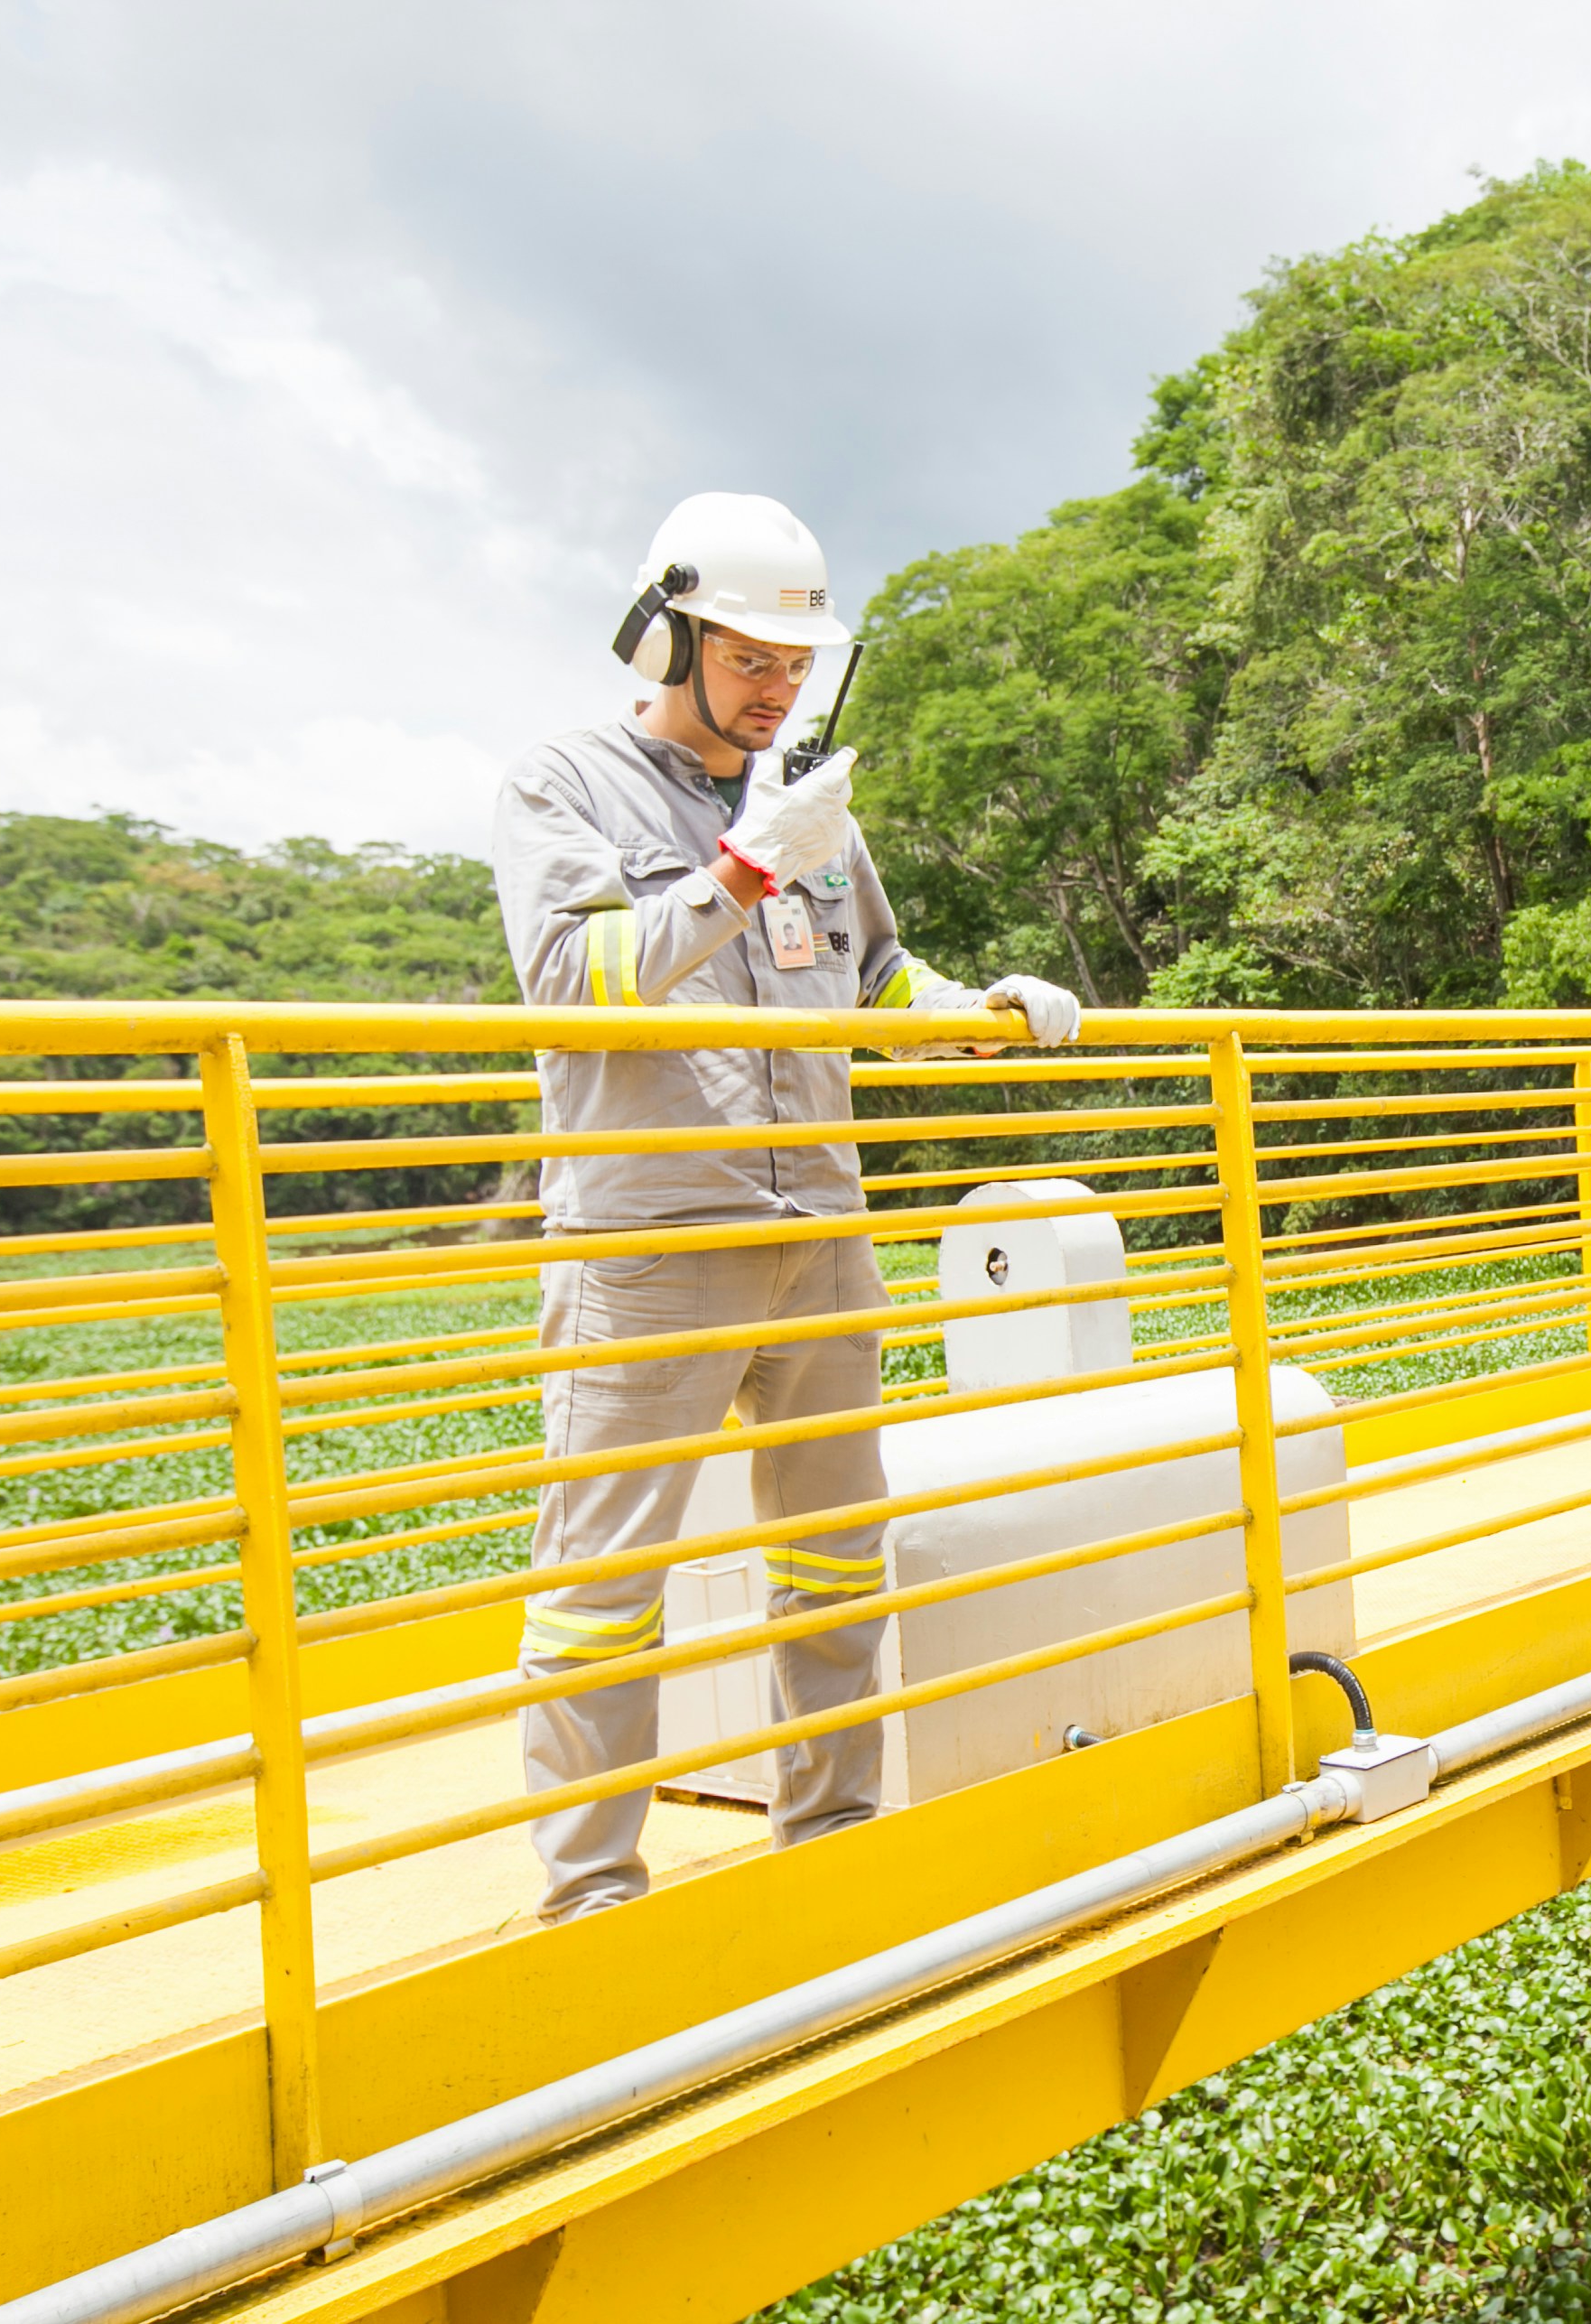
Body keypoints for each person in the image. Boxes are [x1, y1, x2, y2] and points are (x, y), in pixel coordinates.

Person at [488, 491, 1083, 1920]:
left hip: (818, 1233)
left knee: (835, 1565)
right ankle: (591, 1904)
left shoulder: (813, 807)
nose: (779, 688)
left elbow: (875, 979)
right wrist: (747, 863)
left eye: (798, 662)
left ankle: (832, 1844)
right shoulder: (561, 783)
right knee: (602, 1588)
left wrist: (983, 1005)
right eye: (751, 657)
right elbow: (575, 985)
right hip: (652, 1247)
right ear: (665, 636)